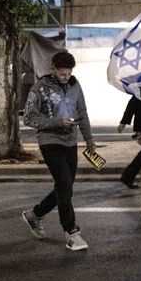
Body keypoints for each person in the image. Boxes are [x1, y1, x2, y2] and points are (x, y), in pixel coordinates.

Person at [21, 51, 95, 252]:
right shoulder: (40, 88)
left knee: (65, 187)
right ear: (52, 68)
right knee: (64, 184)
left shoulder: (74, 85)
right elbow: (28, 117)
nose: (66, 77)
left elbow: (83, 112)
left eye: (69, 73)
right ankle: (71, 232)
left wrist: (89, 139)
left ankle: (34, 214)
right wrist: (55, 122)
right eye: (62, 74)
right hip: (50, 141)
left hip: (70, 142)